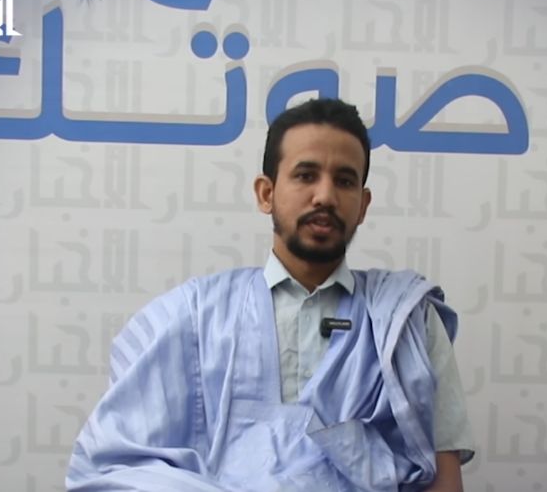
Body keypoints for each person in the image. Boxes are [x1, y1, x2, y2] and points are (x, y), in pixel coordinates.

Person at [66, 98, 474, 492]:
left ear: (363, 205)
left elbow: (443, 481)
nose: (325, 196)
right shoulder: (194, 316)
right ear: (266, 193)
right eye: (306, 175)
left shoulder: (406, 322)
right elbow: (118, 468)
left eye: (345, 180)